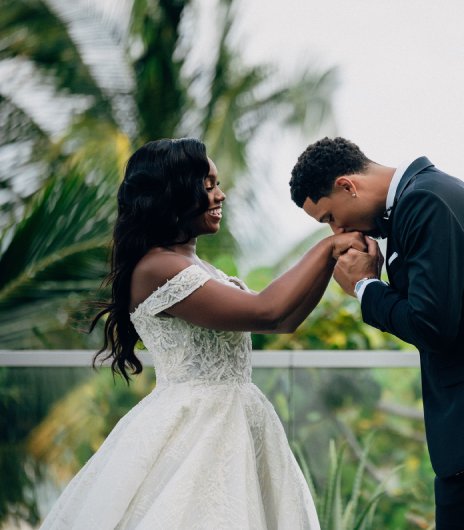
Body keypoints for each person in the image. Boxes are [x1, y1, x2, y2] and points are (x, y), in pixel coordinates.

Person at [41, 138, 363, 529]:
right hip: (196, 430)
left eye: (217, 184)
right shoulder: (157, 268)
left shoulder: (197, 266)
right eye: (208, 185)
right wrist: (329, 246)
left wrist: (333, 257)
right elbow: (267, 311)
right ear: (172, 192)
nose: (220, 194)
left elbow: (285, 320)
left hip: (237, 420)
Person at [290, 137, 464, 529]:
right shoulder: (433, 193)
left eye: (329, 218)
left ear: (347, 186)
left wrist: (365, 288)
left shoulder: (426, 202)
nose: (336, 230)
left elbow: (432, 325)